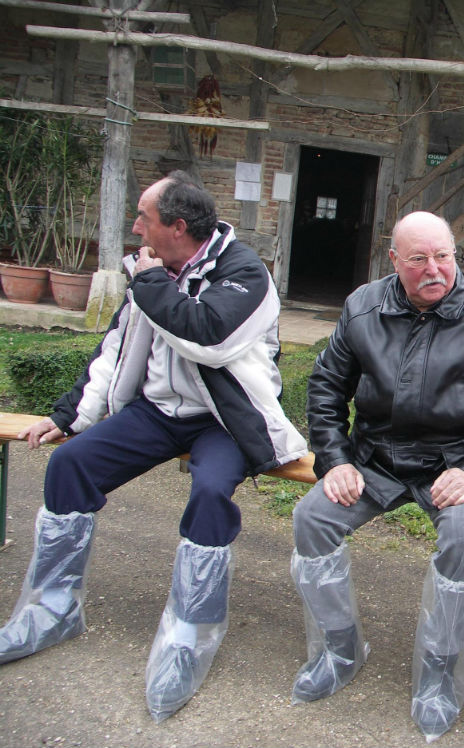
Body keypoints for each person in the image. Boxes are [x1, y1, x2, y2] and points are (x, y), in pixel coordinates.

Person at [0, 171, 307, 722]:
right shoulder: (151, 270)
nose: (135, 226)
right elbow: (115, 346)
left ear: (177, 227)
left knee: (212, 491)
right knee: (71, 464)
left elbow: (209, 337)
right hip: (158, 412)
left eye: (144, 217)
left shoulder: (245, 272)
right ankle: (50, 608)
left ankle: (190, 634)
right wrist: (70, 415)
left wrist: (147, 283)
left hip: (224, 420)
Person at [291, 211, 464, 741]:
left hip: (454, 462)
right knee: (312, 518)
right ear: (394, 261)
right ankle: (339, 649)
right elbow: (325, 388)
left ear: (455, 253)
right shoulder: (363, 307)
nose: (435, 270)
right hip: (374, 458)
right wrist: (335, 460)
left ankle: (440, 673)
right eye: (418, 259)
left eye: (444, 256)